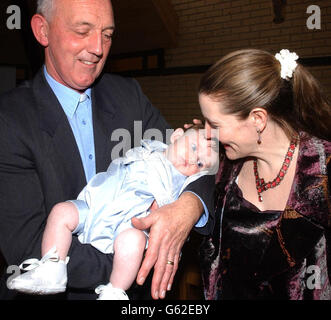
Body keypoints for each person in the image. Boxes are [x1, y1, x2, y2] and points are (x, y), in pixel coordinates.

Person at [0, 0, 215, 300]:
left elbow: (191, 158)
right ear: (42, 30)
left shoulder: (129, 96)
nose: (98, 48)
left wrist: (189, 206)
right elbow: (28, 243)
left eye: (107, 34)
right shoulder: (10, 120)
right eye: (82, 30)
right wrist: (132, 262)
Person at [7, 126, 218, 300]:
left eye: (200, 164)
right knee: (61, 212)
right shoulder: (152, 147)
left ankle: (115, 291)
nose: (192, 160)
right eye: (192, 147)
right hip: (97, 207)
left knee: (132, 243)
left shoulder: (181, 184)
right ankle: (52, 267)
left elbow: (204, 190)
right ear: (177, 136)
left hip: (128, 224)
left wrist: (190, 203)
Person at [198, 48, 331, 300]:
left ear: (258, 119)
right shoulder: (223, 169)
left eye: (214, 125)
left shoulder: (324, 169)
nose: (207, 133)